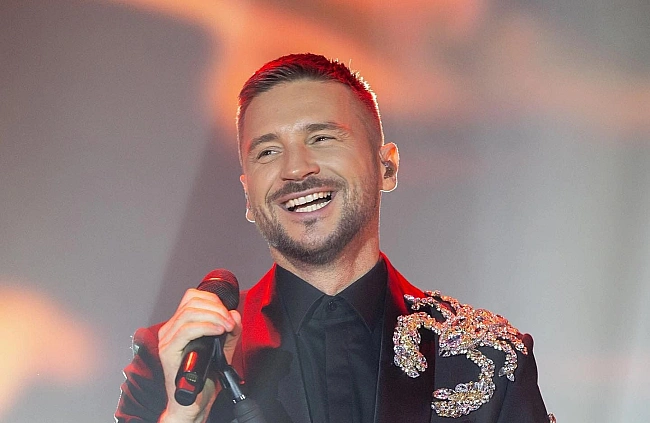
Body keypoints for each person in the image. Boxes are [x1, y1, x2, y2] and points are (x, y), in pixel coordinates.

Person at [115, 53, 554, 423]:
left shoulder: (490, 358)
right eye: (268, 151)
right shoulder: (175, 362)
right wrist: (183, 416)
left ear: (386, 167)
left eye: (322, 138)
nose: (295, 169)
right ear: (248, 195)